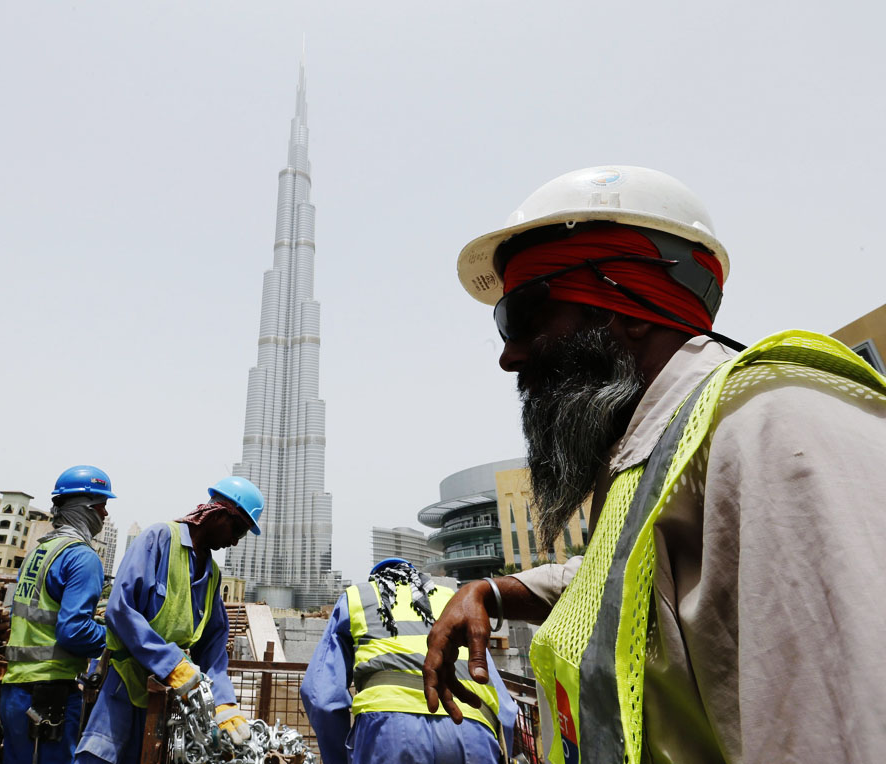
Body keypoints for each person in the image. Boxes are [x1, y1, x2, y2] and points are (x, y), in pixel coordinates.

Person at [423, 165, 886, 763]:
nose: (509, 356)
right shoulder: (664, 454)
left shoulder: (770, 428)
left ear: (630, 305)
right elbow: (615, 583)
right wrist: (493, 590)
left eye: (525, 316)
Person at [75, 476, 264, 764]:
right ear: (217, 514)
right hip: (126, 686)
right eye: (237, 529)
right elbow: (120, 610)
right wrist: (172, 664)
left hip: (171, 699)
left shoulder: (211, 574)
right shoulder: (158, 539)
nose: (235, 541)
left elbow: (212, 646)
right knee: (100, 758)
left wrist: (224, 702)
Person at [301, 558, 516, 764]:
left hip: (387, 730)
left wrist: (340, 757)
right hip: (472, 725)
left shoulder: (358, 596)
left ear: (375, 579)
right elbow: (504, 705)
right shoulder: (455, 599)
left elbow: (321, 697)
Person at [1, 465, 113, 764]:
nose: (105, 515)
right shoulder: (82, 556)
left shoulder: (41, 551)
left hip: (15, 689)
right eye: (101, 506)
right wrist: (114, 636)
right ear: (85, 508)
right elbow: (73, 631)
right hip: (49, 694)